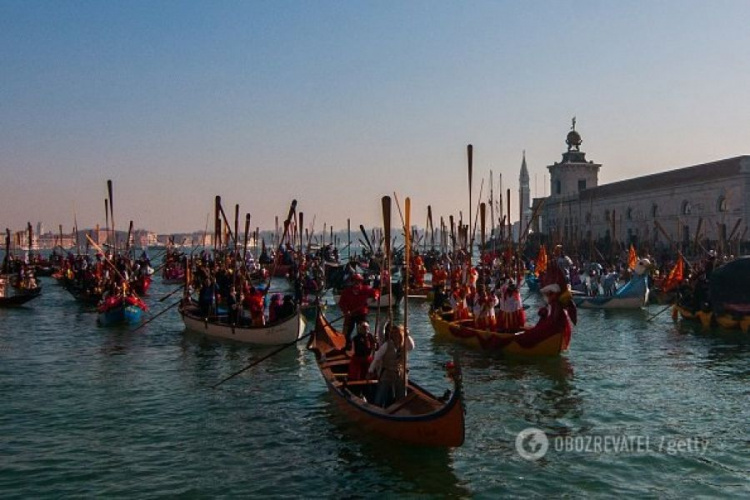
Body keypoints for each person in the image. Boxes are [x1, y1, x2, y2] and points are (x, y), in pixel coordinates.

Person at [368, 324, 415, 408]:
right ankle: (376, 408)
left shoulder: (404, 344)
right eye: (393, 333)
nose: (395, 335)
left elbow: (411, 347)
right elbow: (376, 358)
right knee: (381, 394)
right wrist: (370, 371)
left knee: (401, 396)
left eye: (397, 333)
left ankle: (400, 410)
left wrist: (407, 335)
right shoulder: (387, 344)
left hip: (400, 374)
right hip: (387, 373)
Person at [337, 274, 379, 349]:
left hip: (361, 314)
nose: (356, 283)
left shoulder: (365, 289)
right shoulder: (346, 292)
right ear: (352, 282)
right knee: (346, 332)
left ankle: (365, 346)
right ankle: (348, 346)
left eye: (358, 281)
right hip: (350, 314)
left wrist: (375, 296)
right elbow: (341, 303)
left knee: (363, 330)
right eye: (354, 281)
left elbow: (375, 292)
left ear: (361, 282)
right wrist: (346, 311)